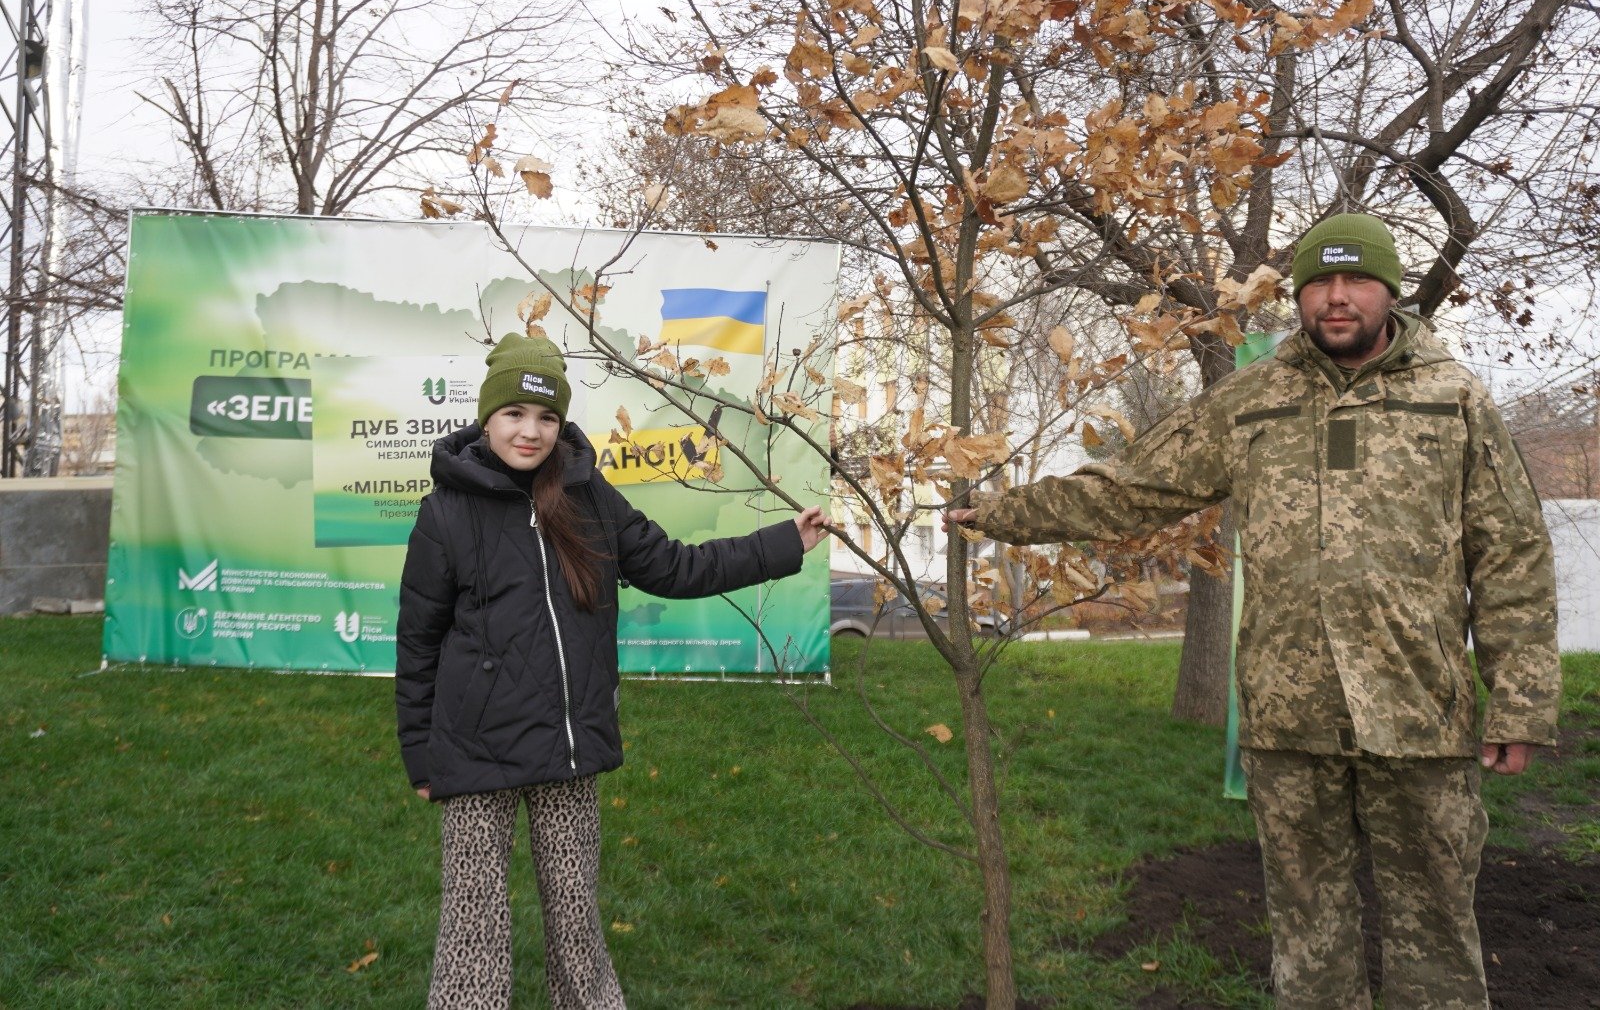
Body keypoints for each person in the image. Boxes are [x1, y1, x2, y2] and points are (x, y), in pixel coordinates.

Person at [945, 213, 1560, 1009]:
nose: (1338, 299)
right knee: (1309, 944)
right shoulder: (1253, 398)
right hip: (1288, 718)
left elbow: (1511, 552)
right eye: (1319, 283)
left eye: (1357, 281)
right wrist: (1001, 513)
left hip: (1419, 716)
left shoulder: (1452, 400)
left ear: (1390, 290)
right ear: (1299, 294)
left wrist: (1519, 701)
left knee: (1436, 940)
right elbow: (1135, 484)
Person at [396, 334, 827, 1010]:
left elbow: (676, 566)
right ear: (487, 419)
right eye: (514, 415)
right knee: (472, 928)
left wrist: (781, 544)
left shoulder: (590, 497)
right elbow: (418, 642)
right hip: (473, 750)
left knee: (576, 923)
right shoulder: (446, 513)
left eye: (545, 418)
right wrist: (420, 758)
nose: (530, 432)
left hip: (569, 745)